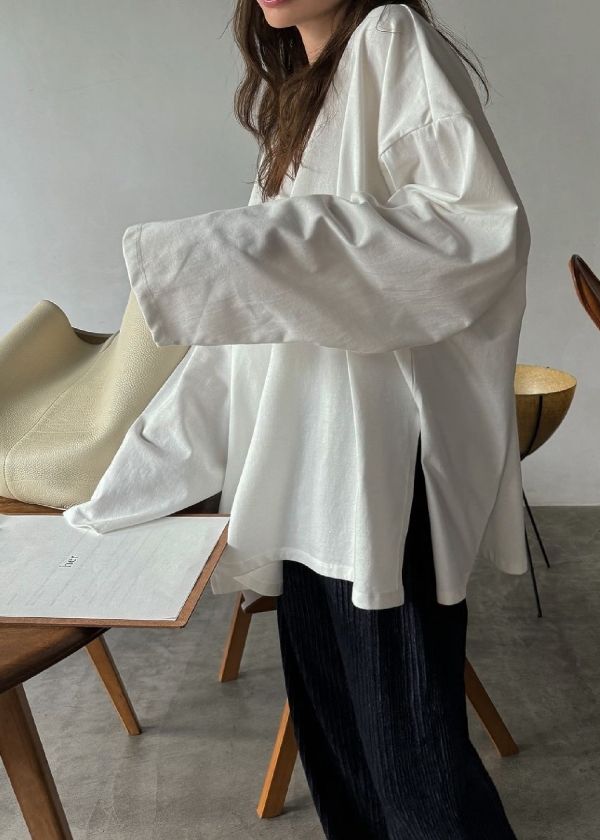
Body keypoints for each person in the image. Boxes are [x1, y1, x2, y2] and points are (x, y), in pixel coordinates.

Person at [65, 1, 531, 836]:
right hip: (311, 484)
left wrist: (240, 249)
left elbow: (477, 232)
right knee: (343, 760)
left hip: (378, 483)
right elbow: (251, 341)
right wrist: (134, 480)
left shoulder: (389, 37)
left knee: (416, 776)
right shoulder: (303, 94)